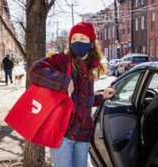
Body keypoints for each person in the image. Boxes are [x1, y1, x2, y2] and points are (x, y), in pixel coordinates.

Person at [29, 22, 116, 167]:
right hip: (63, 134)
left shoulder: (90, 66)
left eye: (82, 38)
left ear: (91, 43)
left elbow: (82, 97)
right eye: (74, 38)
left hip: (83, 134)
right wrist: (64, 81)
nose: (77, 42)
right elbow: (36, 71)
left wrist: (101, 97)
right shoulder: (63, 60)